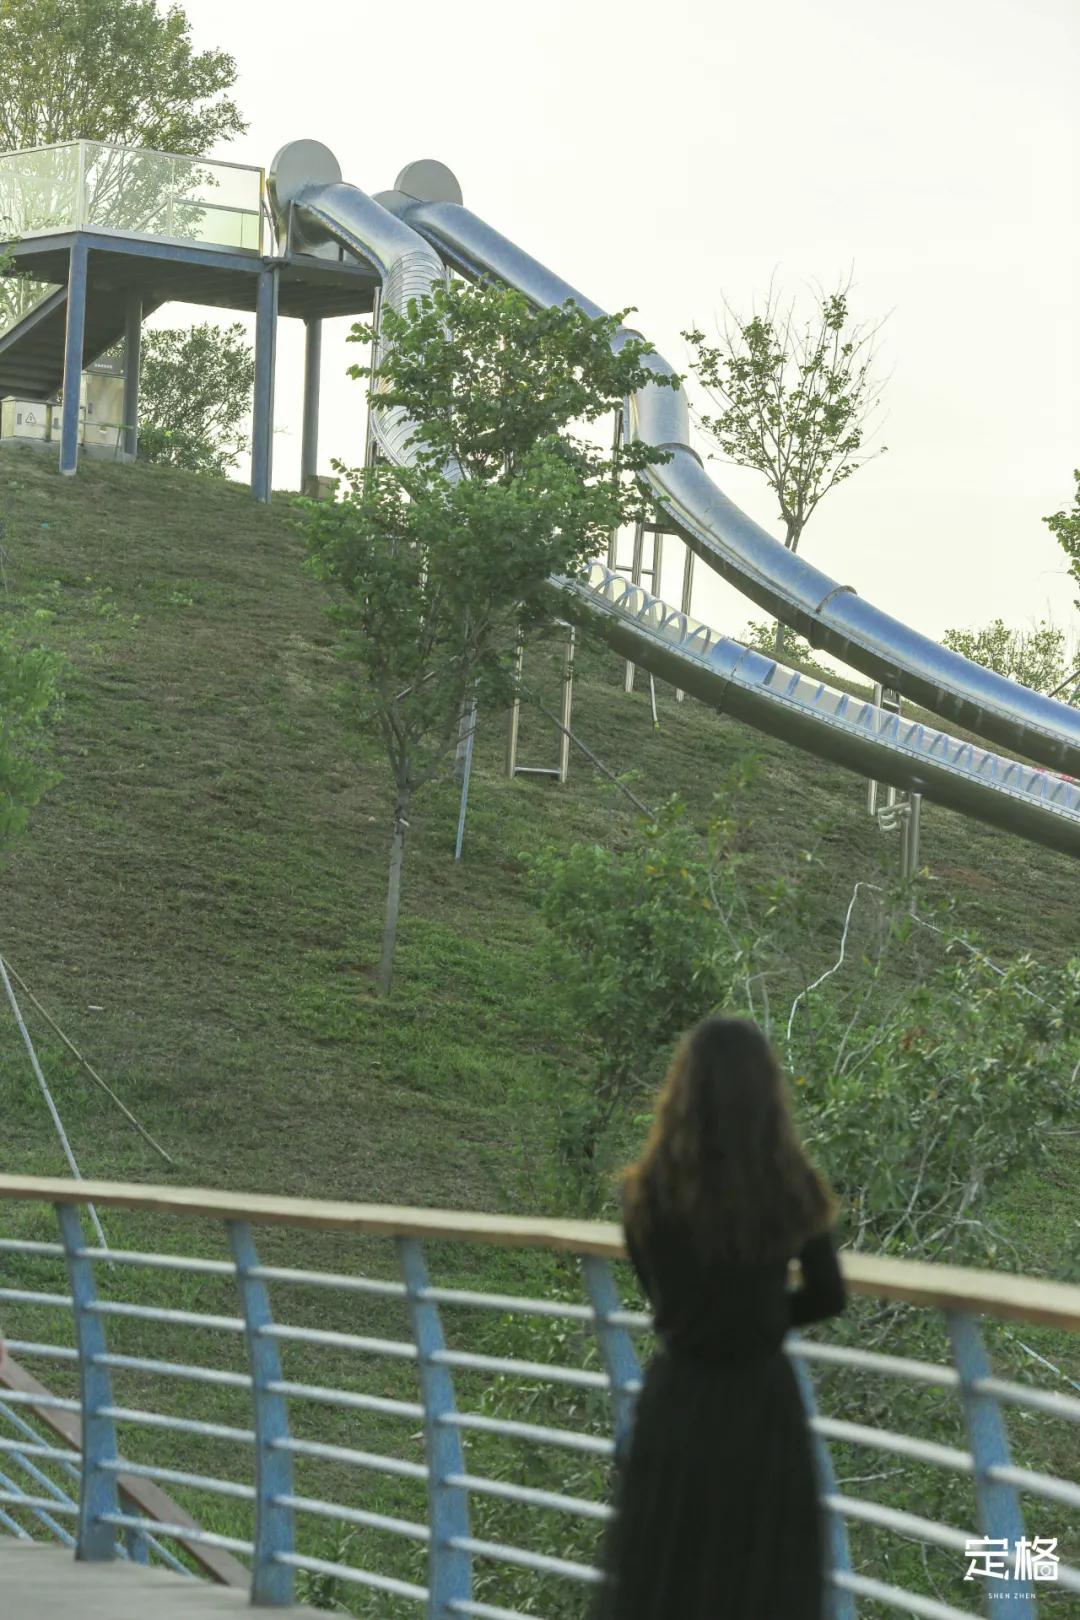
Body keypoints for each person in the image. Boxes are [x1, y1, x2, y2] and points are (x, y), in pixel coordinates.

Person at [592, 1014, 846, 1620]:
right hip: (760, 1405)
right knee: (761, 1579)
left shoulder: (646, 1192)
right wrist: (760, 1315)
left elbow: (661, 1297)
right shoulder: (789, 1185)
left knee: (664, 1573)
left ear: (683, 1089)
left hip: (678, 1401)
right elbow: (828, 1295)